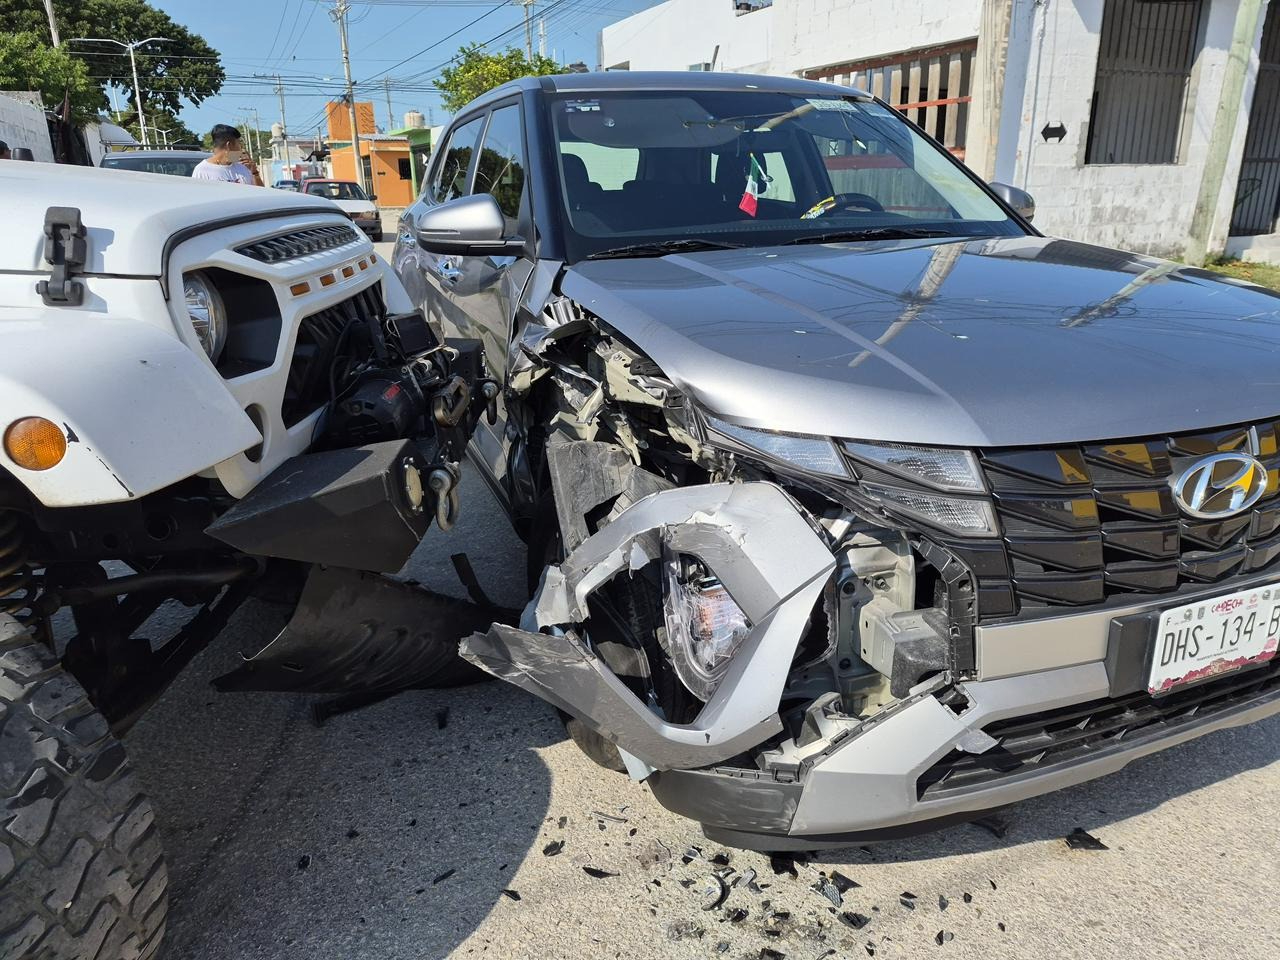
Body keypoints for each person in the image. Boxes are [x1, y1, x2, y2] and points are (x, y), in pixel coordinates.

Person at [192, 124, 262, 185]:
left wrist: (255, 173)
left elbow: (260, 193)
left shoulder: (243, 167)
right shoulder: (202, 171)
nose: (241, 148)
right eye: (239, 143)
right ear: (229, 145)